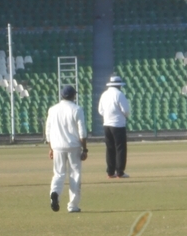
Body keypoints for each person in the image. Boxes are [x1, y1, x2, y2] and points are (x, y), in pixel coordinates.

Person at [45, 85, 88, 213]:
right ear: (73, 96)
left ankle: (55, 193)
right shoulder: (77, 109)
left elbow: (48, 131)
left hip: (57, 145)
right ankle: (73, 205)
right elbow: (82, 132)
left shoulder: (53, 109)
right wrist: (85, 149)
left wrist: (51, 148)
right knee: (74, 174)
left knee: (58, 173)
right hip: (73, 145)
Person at [97, 74, 131, 179]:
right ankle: (120, 172)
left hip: (107, 124)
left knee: (110, 148)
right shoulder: (119, 94)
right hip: (118, 125)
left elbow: (100, 110)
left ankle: (110, 172)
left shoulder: (104, 94)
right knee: (120, 148)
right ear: (118, 85)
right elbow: (126, 110)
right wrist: (123, 116)